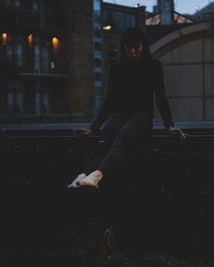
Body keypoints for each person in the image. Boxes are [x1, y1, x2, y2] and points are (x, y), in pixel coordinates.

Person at [68, 27, 186, 190]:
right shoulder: (118, 69)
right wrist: (93, 129)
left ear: (143, 46)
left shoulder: (153, 66)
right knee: (104, 139)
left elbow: (160, 97)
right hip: (119, 115)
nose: (132, 52)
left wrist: (169, 125)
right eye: (128, 47)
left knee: (122, 137)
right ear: (124, 47)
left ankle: (96, 176)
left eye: (136, 47)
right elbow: (109, 101)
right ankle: (82, 177)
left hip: (142, 117)